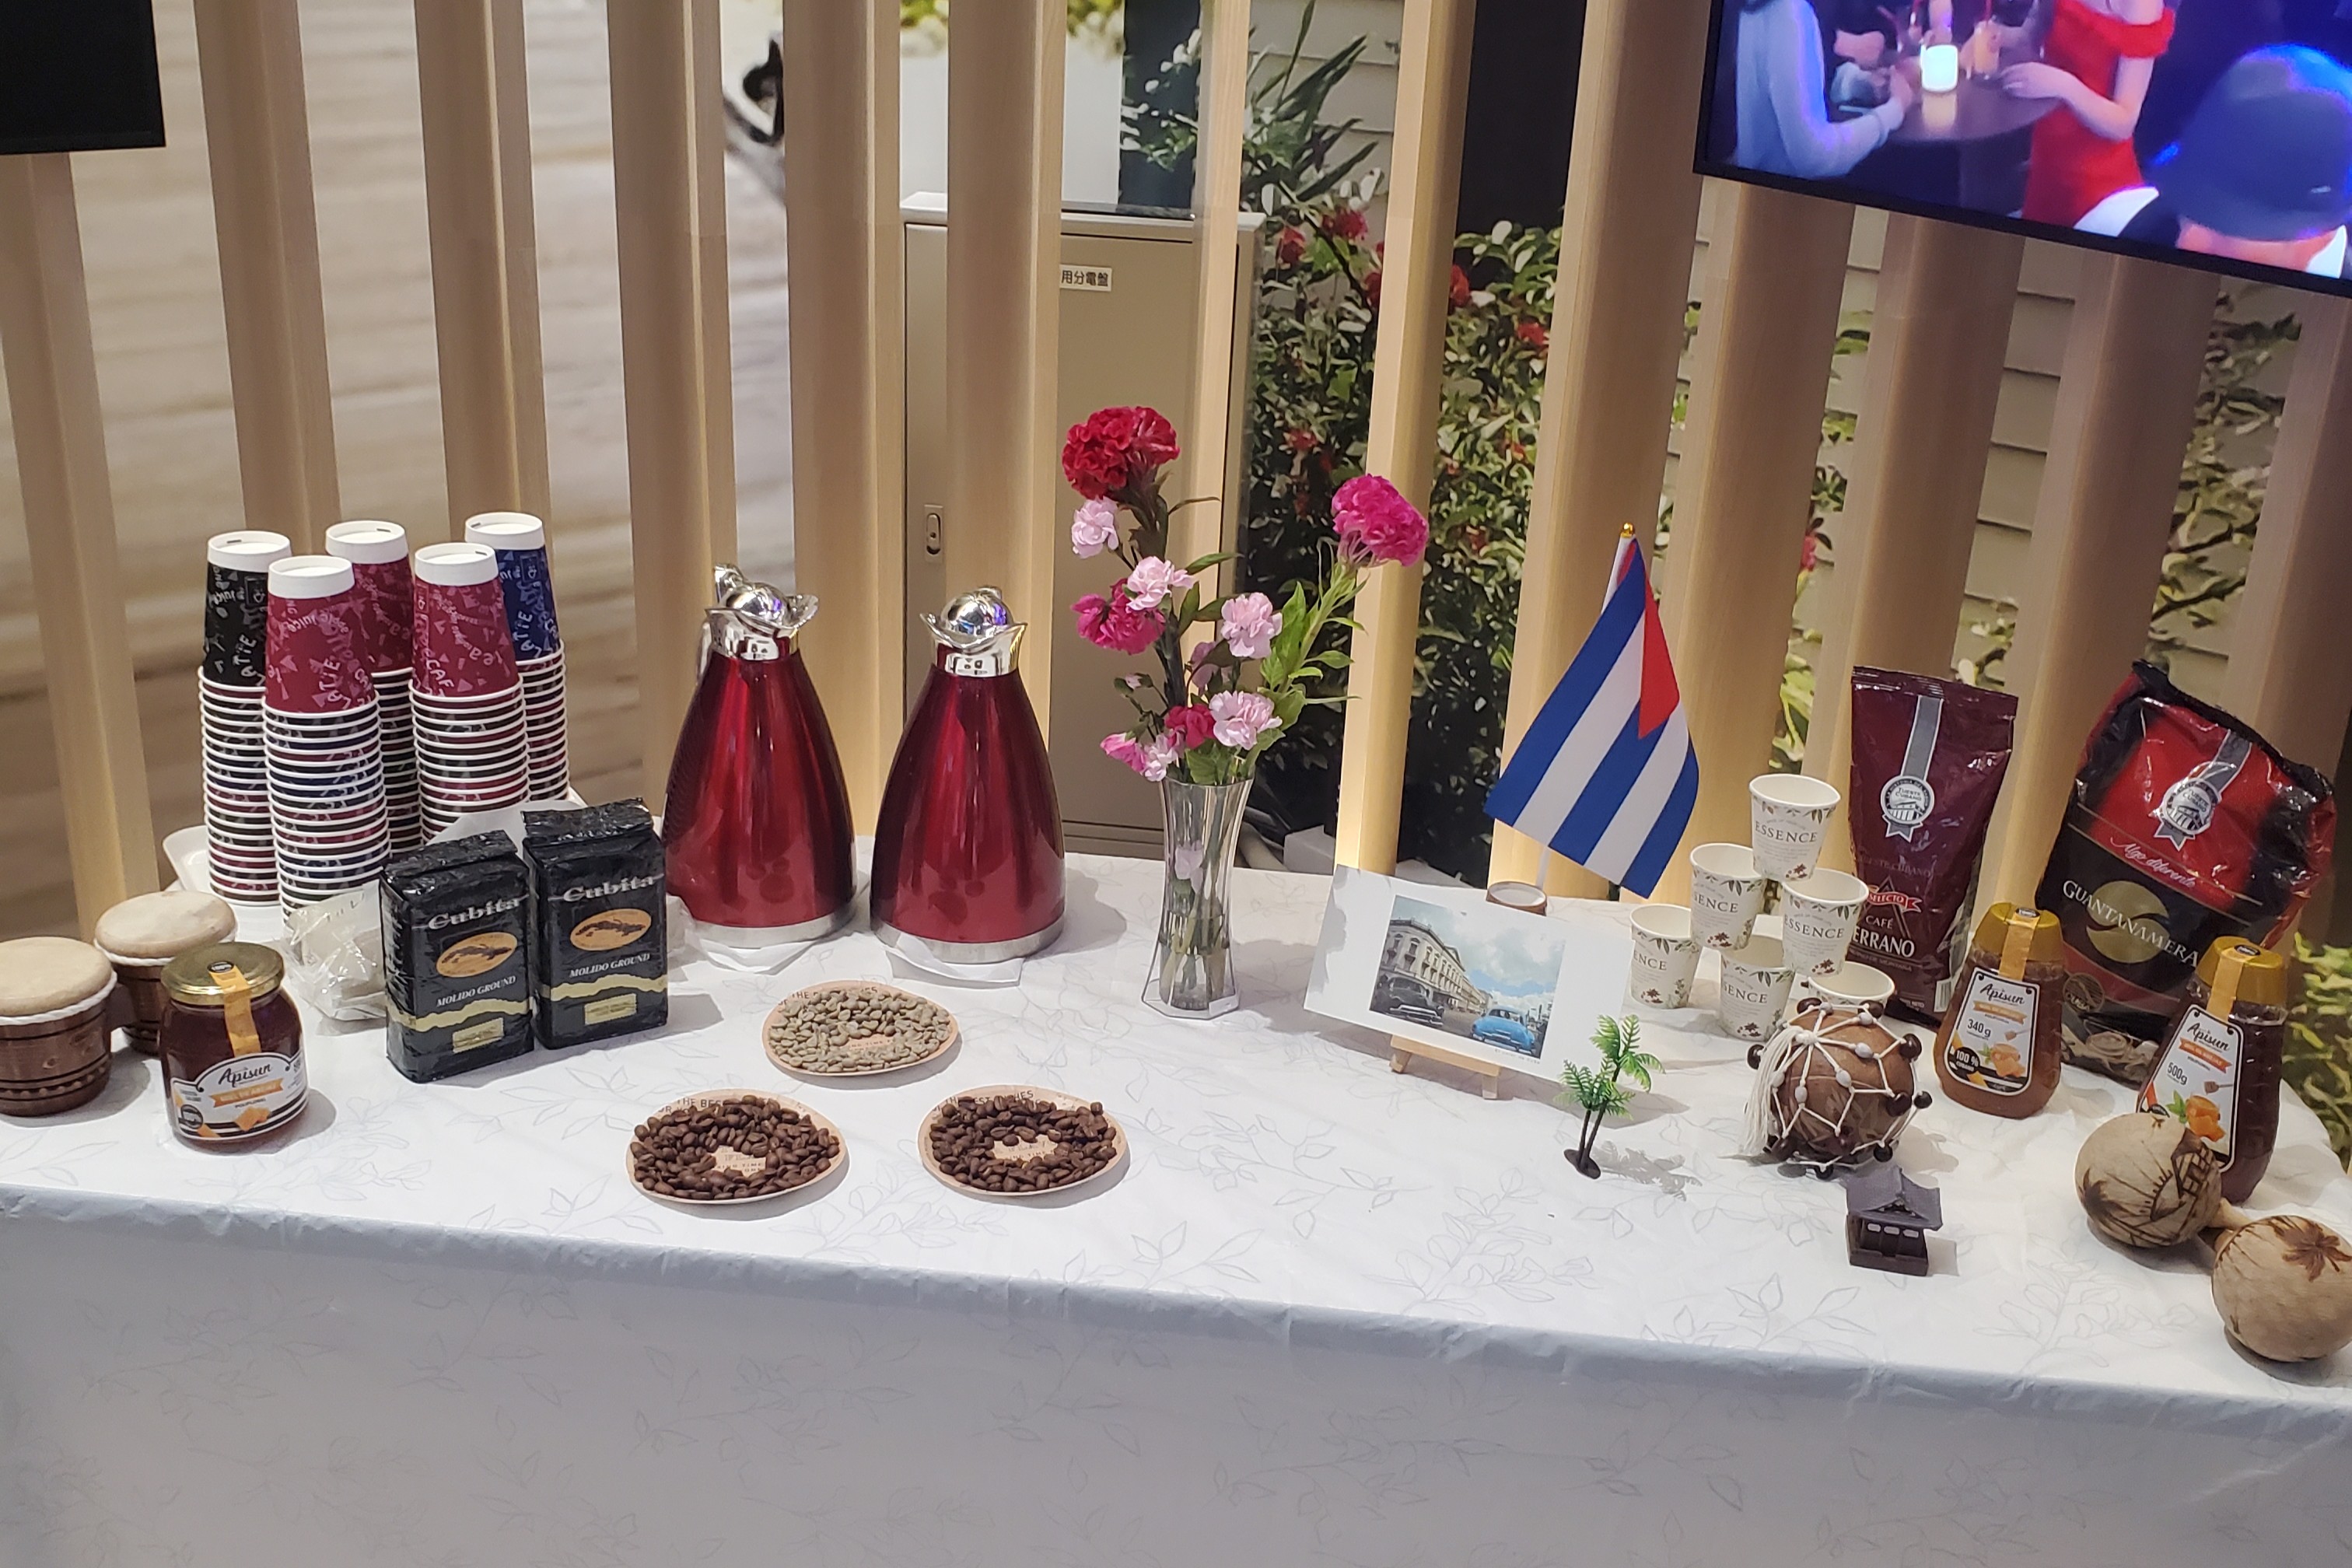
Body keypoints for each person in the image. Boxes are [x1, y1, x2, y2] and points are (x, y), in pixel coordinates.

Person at [2077, 44, 2352, 278]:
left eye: (2227, 229)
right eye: (2189, 207)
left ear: (2317, 239)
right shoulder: (2116, 222)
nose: (2187, 244)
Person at [2002, 0, 2176, 225]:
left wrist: (2064, 86)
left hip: (2096, 179)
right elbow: (2031, 34)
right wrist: (1997, 37)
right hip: (2047, 157)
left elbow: (2124, 122)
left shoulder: (2139, 5)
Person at [1737, 0, 1921, 178]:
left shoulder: (1765, 8)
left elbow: (1810, 82)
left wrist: (1862, 84)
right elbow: (1814, 157)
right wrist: (1894, 111)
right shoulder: (1790, 13)